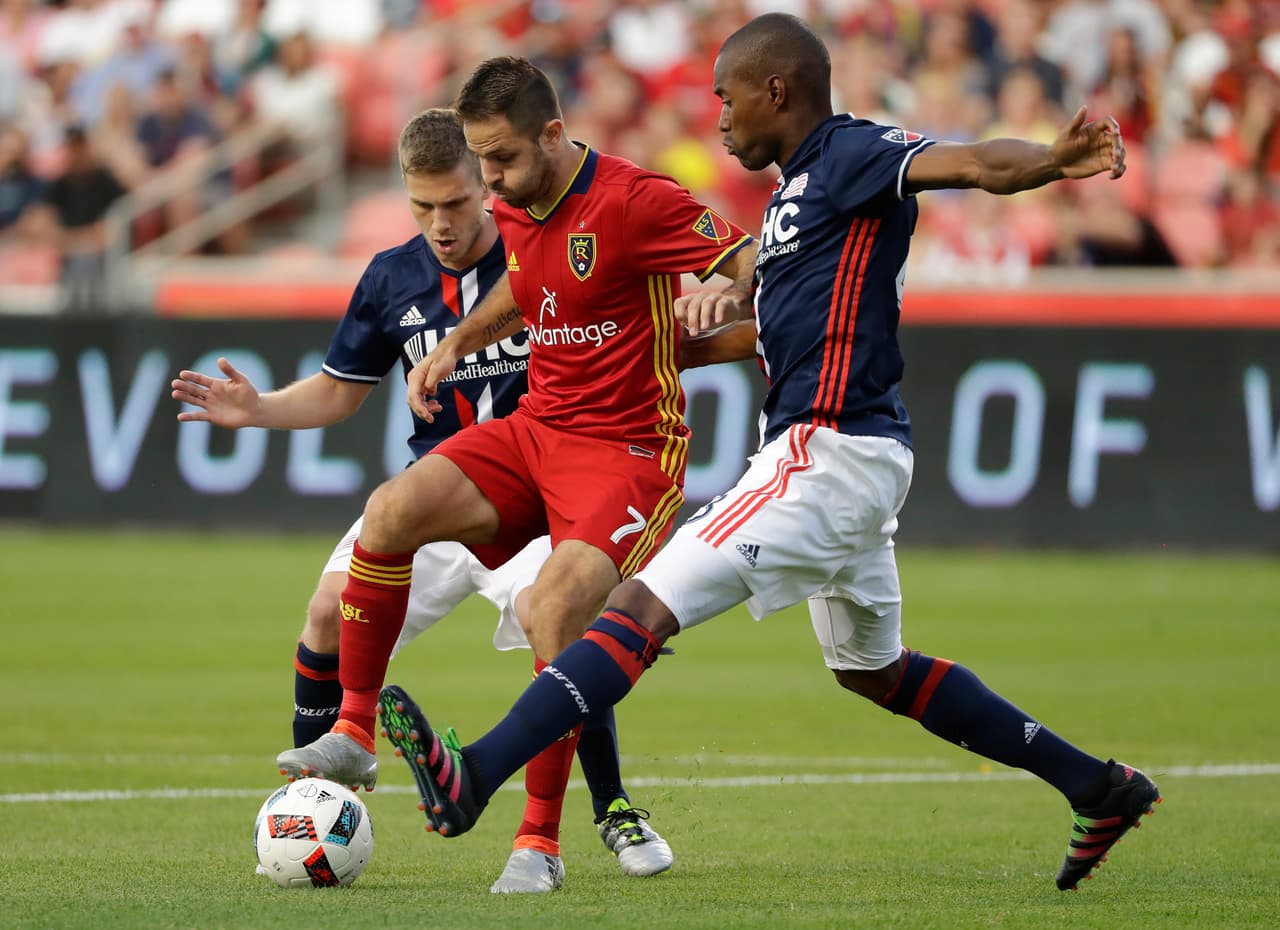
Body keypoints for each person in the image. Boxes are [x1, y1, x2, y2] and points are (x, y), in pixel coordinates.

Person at [379, 13, 1161, 894]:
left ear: (776, 91)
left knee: (636, 603)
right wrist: (691, 332)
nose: (717, 117)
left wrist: (1055, 162)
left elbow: (976, 163)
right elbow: (785, 329)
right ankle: (1097, 787)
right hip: (850, 452)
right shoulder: (795, 199)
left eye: (727, 96)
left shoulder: (851, 155)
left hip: (825, 449)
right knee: (874, 669)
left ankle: (477, 773)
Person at [267, 65, 757, 893]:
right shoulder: (520, 204)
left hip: (629, 452)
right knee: (388, 514)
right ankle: (352, 730)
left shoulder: (639, 201)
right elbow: (525, 289)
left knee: (553, 607)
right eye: (480, 163)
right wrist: (457, 343)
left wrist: (721, 291)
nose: (487, 179)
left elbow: (753, 265)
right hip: (536, 431)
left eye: (499, 160)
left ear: (554, 136)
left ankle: (539, 844)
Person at [170, 108, 673, 894]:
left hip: (549, 487)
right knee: (329, 610)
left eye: (456, 204)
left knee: (560, 620)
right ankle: (322, 798)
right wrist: (258, 408)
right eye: (421, 206)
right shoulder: (391, 277)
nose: (440, 225)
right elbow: (341, 394)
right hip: (449, 490)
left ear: (488, 183)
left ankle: (609, 809)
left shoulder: (542, 245)